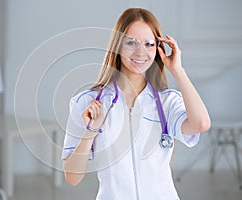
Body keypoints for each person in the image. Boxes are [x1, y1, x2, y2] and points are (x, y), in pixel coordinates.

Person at [61, 7, 211, 200]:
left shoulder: (167, 102)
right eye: (131, 42)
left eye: (149, 44)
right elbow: (72, 177)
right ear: (117, 45)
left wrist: (177, 70)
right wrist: (90, 132)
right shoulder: (88, 103)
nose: (141, 52)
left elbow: (201, 124)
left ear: (157, 49)